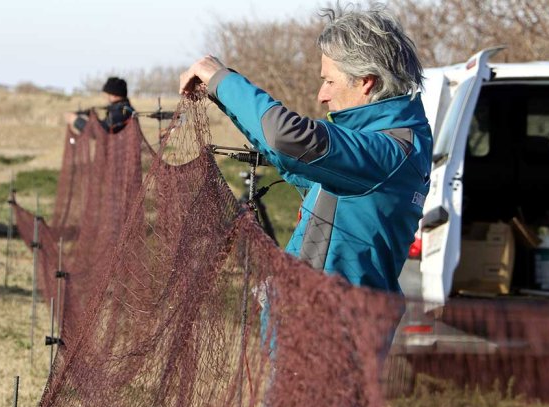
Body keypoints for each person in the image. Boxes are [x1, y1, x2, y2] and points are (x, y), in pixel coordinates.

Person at [180, 4, 432, 294]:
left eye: (328, 81)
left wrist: (220, 79)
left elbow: (290, 138)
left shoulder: (387, 152)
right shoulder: (388, 147)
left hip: (330, 333)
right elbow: (288, 152)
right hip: (314, 325)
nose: (321, 95)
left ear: (365, 82)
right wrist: (223, 96)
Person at [64, 76, 134, 134]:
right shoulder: (124, 109)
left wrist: (76, 120)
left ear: (114, 95)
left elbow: (100, 132)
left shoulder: (122, 111)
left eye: (107, 94)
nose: (105, 97)